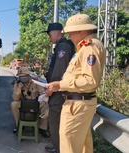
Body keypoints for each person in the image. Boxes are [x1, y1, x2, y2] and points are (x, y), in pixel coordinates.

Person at [45, 14, 106, 153]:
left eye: (71, 33)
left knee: (69, 146)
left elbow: (90, 80)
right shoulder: (86, 46)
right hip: (78, 103)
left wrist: (60, 85)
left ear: (81, 31)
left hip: (78, 104)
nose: (69, 37)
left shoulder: (89, 47)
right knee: (83, 146)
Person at [43, 22, 75, 153]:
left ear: (58, 32)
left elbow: (59, 72)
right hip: (59, 90)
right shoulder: (61, 46)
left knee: (55, 121)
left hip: (59, 92)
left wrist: (51, 89)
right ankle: (59, 148)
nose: (49, 38)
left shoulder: (63, 47)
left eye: (50, 35)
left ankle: (59, 149)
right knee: (57, 122)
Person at [11, 67, 50, 138]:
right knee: (13, 104)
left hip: (35, 102)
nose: (22, 78)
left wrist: (43, 98)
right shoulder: (17, 84)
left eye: (24, 76)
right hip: (24, 103)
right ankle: (19, 126)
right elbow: (15, 98)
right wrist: (19, 88)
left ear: (28, 76)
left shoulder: (36, 82)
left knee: (45, 105)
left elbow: (42, 93)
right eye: (20, 76)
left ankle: (42, 128)